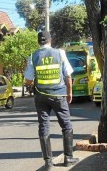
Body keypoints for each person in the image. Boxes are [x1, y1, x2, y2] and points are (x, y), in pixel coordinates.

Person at [24, 31, 79, 170]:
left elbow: (29, 80)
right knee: (66, 125)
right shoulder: (60, 53)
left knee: (43, 126)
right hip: (59, 95)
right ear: (50, 40)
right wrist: (69, 93)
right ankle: (68, 158)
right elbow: (67, 76)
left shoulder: (33, 56)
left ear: (38, 42)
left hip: (41, 96)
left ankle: (48, 162)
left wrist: (32, 86)